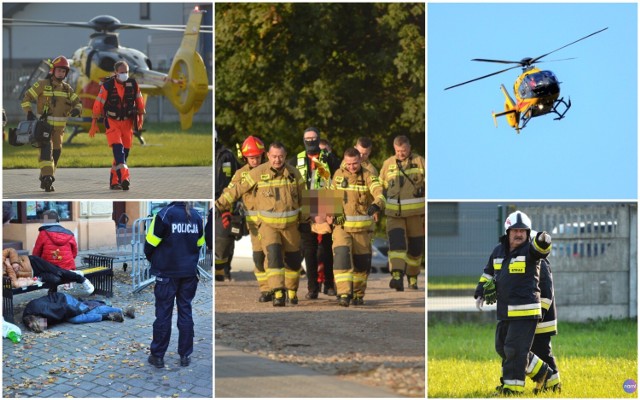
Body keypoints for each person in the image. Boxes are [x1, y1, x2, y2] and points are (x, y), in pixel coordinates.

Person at [474, 211, 557, 395]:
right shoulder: (498, 251)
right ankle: (546, 375)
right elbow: (488, 273)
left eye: (523, 231)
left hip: (526, 311)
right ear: (508, 232)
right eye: (515, 230)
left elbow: (540, 250)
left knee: (515, 349)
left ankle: (512, 388)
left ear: (528, 233)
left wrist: (543, 241)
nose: (519, 234)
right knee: (502, 346)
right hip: (505, 311)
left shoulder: (530, 251)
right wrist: (480, 291)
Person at [216, 142, 305, 307]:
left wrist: (308, 220)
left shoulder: (294, 173)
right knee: (271, 256)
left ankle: (292, 290)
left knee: (293, 261)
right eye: (274, 156)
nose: (277, 160)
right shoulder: (256, 173)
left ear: (285, 156)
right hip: (263, 225)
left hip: (290, 226)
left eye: (280, 156)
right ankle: (274, 291)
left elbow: (305, 197)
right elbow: (235, 190)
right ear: (269, 156)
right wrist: (219, 206)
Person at [144, 202, 205, 369]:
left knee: (163, 314)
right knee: (185, 311)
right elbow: (199, 244)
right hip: (188, 273)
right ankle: (185, 355)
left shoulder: (165, 214)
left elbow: (150, 244)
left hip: (167, 274)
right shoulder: (196, 216)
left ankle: (158, 357)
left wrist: (156, 260)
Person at [328, 148, 385, 306]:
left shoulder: (368, 175)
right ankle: (344, 293)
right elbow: (331, 195)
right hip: (342, 227)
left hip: (362, 229)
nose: (351, 167)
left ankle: (358, 294)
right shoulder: (338, 175)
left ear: (360, 160)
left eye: (354, 163)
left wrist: (376, 205)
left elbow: (379, 192)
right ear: (344, 161)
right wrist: (331, 212)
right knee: (341, 257)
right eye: (348, 163)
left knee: (361, 265)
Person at [20, 55, 82, 192]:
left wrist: (77, 110)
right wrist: (29, 112)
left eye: (64, 71)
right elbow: (26, 97)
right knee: (46, 153)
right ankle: (48, 178)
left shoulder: (67, 89)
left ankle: (44, 176)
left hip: (60, 130)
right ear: (53, 71)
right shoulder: (42, 84)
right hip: (44, 127)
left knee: (56, 154)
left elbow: (78, 102)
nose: (61, 73)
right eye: (59, 70)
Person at [294, 127, 340, 299]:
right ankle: (312, 288)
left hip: (326, 203)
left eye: (314, 138)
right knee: (309, 250)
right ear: (303, 140)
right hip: (305, 204)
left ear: (319, 139)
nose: (311, 141)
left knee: (327, 248)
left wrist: (334, 209)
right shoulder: (296, 159)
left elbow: (338, 180)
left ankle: (329, 284)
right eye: (308, 138)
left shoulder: (328, 158)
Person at [225, 135, 272, 301]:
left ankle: (277, 288)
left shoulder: (271, 171)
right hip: (253, 224)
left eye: (257, 157)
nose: (255, 161)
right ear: (245, 158)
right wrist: (226, 210)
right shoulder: (240, 174)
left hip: (273, 223)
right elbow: (229, 193)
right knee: (258, 257)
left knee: (273, 256)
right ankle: (265, 290)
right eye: (251, 158)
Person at [89, 61, 145, 190]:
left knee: (124, 154)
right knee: (118, 151)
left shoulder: (133, 84)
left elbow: (139, 101)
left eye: (126, 72)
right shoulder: (107, 86)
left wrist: (140, 117)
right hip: (112, 122)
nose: (124, 74)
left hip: (127, 122)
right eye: (122, 72)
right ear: (115, 73)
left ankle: (114, 182)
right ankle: (125, 178)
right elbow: (98, 104)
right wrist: (94, 122)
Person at [379, 135, 425, 291]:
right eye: (398, 151)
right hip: (394, 214)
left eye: (404, 151)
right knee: (397, 245)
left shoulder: (420, 161)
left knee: (415, 249)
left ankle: (412, 276)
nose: (401, 154)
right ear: (394, 149)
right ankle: (397, 276)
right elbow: (380, 188)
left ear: (409, 148)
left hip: (415, 214)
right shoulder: (387, 164)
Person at [22, 292, 135, 333]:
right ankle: (112, 314)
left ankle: (118, 312)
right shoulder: (30, 317)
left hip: (63, 300)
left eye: (43, 324)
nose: (46, 325)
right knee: (78, 317)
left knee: (82, 314)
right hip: (61, 305)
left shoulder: (44, 309)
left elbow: (64, 309)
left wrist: (80, 310)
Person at [2, 248, 93, 293]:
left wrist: (14, 262)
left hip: (32, 262)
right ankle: (71, 273)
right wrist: (9, 266)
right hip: (34, 277)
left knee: (57, 271)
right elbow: (13, 282)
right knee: (55, 279)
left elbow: (11, 250)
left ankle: (81, 279)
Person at [531, 257, 561, 393]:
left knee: (543, 353)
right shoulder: (533, 261)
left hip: (542, 321)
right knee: (536, 353)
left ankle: (554, 385)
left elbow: (547, 292)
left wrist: (540, 314)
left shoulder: (541, 263)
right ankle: (543, 383)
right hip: (534, 319)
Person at [214, 129, 239, 281]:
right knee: (215, 237)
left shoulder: (227, 156)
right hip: (211, 200)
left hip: (225, 201)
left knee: (226, 237)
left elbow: (236, 179)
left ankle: (225, 270)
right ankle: (218, 273)